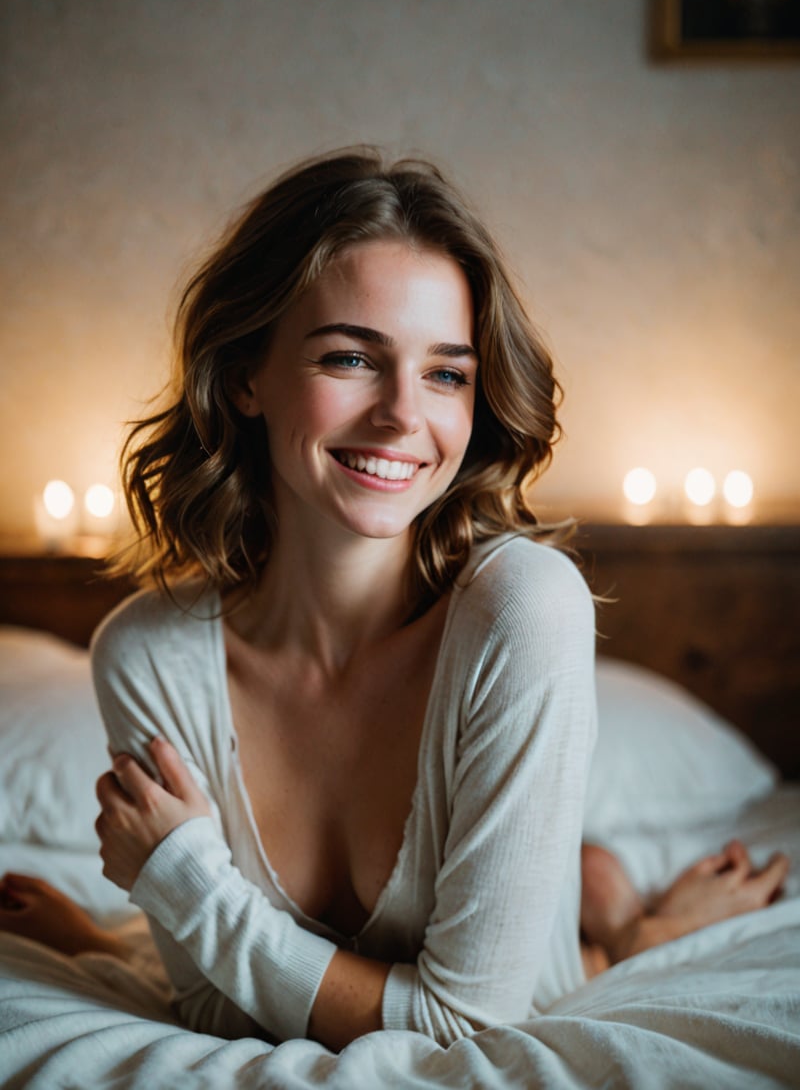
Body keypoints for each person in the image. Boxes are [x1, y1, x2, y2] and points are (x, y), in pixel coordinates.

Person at [0, 150, 789, 1051]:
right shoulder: (146, 655)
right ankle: (600, 896)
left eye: (447, 373)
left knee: (578, 900)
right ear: (245, 374)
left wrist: (184, 884)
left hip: (535, 973)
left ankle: (630, 932)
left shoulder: (526, 609)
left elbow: (469, 1024)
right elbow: (214, 1015)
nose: (403, 417)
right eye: (350, 357)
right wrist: (137, 935)